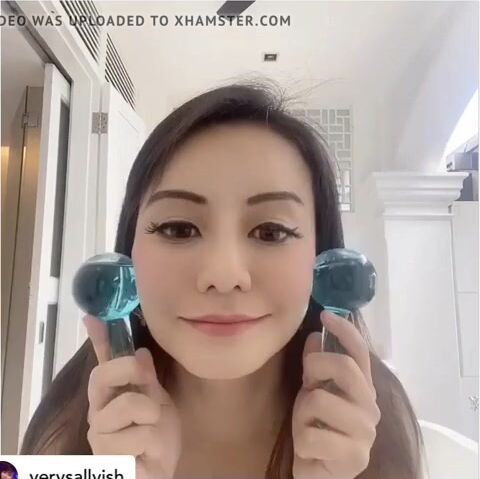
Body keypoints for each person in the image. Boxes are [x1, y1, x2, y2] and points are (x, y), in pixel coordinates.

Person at [21, 80, 425, 478]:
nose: (224, 275)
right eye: (179, 229)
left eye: (271, 232)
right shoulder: (67, 421)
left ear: (323, 256)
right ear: (129, 253)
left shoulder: (379, 419)